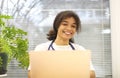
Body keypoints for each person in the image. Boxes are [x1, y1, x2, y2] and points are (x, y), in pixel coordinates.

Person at [28, 10, 96, 78]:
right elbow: (31, 75)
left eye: (73, 26)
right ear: (57, 25)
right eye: (65, 24)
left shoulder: (80, 50)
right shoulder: (41, 49)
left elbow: (92, 74)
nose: (69, 28)